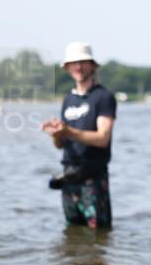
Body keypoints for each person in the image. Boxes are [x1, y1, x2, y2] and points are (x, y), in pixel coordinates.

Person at [42, 42, 116, 229]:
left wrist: (69, 131)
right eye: (74, 63)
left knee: (99, 233)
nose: (78, 67)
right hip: (69, 176)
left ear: (92, 65)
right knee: (72, 233)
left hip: (93, 177)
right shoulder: (68, 99)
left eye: (83, 62)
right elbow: (60, 145)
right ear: (67, 67)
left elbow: (102, 138)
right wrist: (56, 134)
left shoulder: (103, 97)